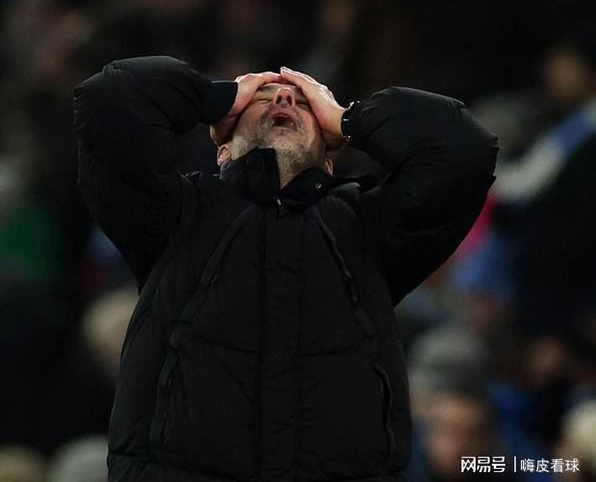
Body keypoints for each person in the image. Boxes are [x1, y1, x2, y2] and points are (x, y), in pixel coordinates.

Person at [72, 55, 497, 482]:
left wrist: (350, 119)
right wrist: (217, 97)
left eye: (305, 103)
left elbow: (464, 150)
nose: (285, 99)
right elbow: (108, 100)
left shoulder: (370, 231)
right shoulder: (174, 216)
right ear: (222, 149)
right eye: (263, 97)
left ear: (330, 160)